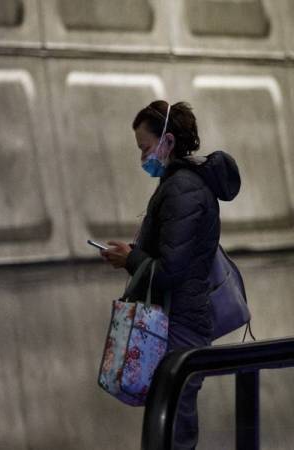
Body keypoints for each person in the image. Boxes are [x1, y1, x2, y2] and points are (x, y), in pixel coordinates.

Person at [100, 100, 241, 450]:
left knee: (174, 430)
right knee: (171, 425)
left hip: (180, 326)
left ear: (168, 141)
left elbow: (170, 270)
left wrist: (130, 259)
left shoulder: (182, 190)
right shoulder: (180, 185)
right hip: (177, 322)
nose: (142, 158)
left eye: (145, 148)